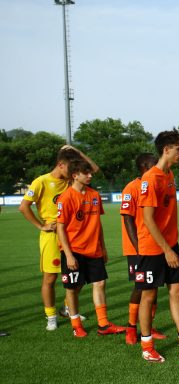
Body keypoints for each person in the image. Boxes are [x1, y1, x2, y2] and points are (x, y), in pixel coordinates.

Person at [19, 145, 98, 331]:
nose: (74, 172)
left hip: (74, 235)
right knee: (50, 278)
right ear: (60, 164)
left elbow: (93, 169)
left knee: (78, 277)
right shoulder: (41, 182)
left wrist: (77, 151)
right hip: (52, 235)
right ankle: (51, 316)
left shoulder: (72, 181)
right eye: (70, 167)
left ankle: (67, 308)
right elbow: (23, 207)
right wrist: (41, 226)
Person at [135, 130, 179, 363]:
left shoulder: (169, 175)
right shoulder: (151, 178)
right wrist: (166, 250)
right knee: (148, 296)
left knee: (177, 290)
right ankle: (147, 346)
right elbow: (148, 219)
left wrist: (171, 247)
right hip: (153, 247)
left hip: (171, 243)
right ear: (166, 149)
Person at [56, 159, 125, 338]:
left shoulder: (94, 195)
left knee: (100, 283)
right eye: (85, 173)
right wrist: (69, 255)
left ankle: (103, 324)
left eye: (90, 173)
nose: (90, 175)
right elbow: (61, 228)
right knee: (72, 288)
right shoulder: (66, 197)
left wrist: (103, 247)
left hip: (93, 249)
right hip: (74, 250)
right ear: (74, 176)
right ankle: (76, 324)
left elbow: (98, 224)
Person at [120, 152, 168, 345]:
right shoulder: (131, 188)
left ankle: (148, 327)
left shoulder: (157, 183)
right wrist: (138, 247)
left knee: (153, 288)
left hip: (154, 245)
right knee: (140, 287)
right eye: (153, 164)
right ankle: (131, 327)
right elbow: (127, 218)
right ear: (144, 166)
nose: (158, 166)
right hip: (137, 247)